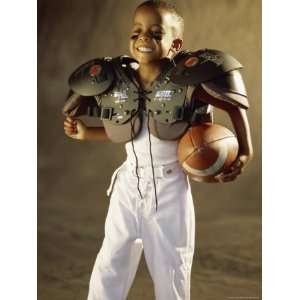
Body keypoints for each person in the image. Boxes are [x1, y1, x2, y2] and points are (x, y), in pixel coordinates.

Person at [63, 1, 253, 299]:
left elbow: (233, 104)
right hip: (127, 185)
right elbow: (127, 131)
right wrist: (87, 132)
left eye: (154, 33)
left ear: (175, 43)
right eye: (137, 31)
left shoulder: (188, 83)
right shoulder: (118, 81)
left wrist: (245, 150)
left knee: (171, 268)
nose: (143, 38)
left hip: (169, 189)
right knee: (110, 263)